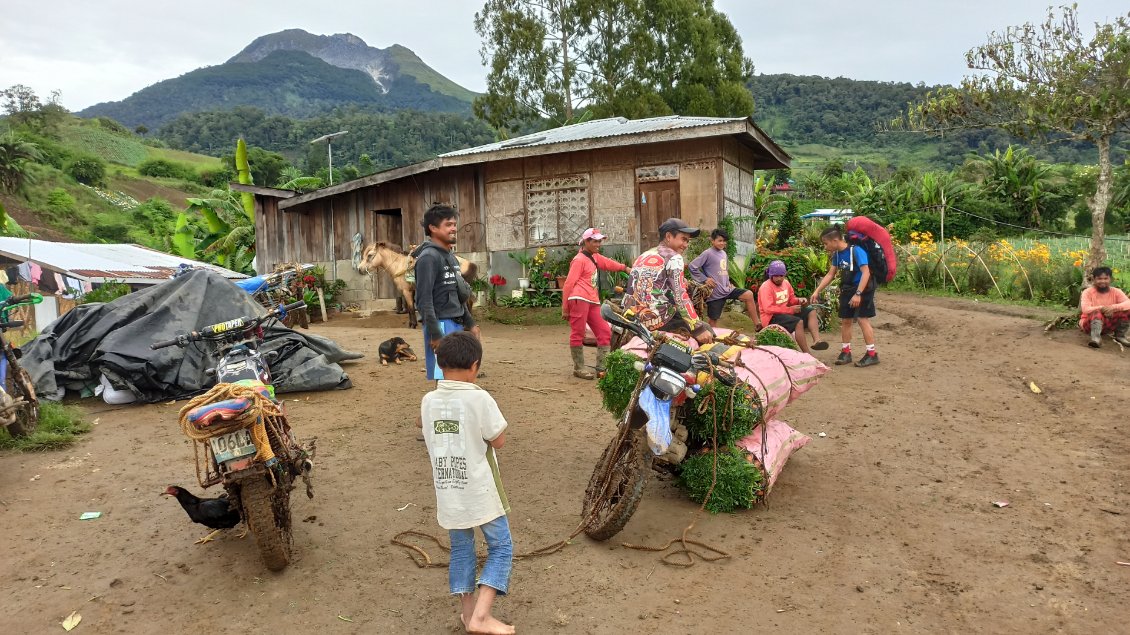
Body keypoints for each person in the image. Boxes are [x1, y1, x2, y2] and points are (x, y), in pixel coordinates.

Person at [419, 332, 515, 635]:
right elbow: (497, 440)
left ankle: (468, 613)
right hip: (481, 489)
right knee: (501, 547)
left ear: (438, 363)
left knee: (462, 548)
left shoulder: (429, 400)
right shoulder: (480, 397)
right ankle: (483, 617)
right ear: (475, 365)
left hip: (448, 489)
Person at [412, 204, 480, 381]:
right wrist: (435, 334)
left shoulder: (449, 256)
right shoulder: (428, 258)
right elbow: (423, 300)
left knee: (457, 374)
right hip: (440, 325)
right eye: (448, 224)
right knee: (443, 376)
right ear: (433, 228)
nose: (454, 229)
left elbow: (458, 294)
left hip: (455, 324)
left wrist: (470, 323)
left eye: (454, 224)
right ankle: (443, 408)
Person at [621, 218, 713, 345]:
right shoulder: (674, 258)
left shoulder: (644, 255)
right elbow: (680, 296)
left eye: (687, 241)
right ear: (669, 236)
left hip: (632, 317)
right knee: (707, 330)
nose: (686, 245)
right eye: (683, 239)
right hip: (656, 320)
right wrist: (698, 328)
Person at [561, 227, 629, 379]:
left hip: (592, 300)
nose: (598, 244)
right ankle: (579, 368)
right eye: (595, 241)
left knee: (604, 332)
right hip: (578, 299)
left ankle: (601, 367)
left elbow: (609, 264)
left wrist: (626, 268)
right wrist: (565, 307)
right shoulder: (579, 260)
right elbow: (568, 284)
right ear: (586, 241)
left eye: (599, 241)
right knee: (578, 333)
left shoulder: (595, 256)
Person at [812, 226, 879, 367]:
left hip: (863, 289)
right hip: (847, 289)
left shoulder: (856, 251)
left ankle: (872, 354)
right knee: (846, 320)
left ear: (835, 240)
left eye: (826, 243)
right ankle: (846, 352)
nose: (825, 247)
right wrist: (817, 290)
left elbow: (865, 273)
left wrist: (858, 294)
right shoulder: (837, 255)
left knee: (862, 319)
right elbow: (831, 274)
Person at [689, 229, 761, 329]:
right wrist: (705, 279)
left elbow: (725, 271)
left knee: (748, 294)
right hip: (715, 293)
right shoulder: (707, 253)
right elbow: (692, 266)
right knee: (713, 320)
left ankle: (758, 325)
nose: (722, 243)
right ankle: (712, 340)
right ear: (712, 241)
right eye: (720, 240)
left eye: (724, 241)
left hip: (727, 289)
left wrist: (729, 283)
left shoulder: (723, 254)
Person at [757, 260, 828, 353]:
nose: (779, 278)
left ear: (785, 275)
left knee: (811, 311)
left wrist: (799, 300)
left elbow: (791, 300)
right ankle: (807, 354)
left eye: (781, 276)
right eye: (776, 276)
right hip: (770, 318)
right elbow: (768, 309)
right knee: (798, 322)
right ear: (771, 275)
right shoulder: (766, 287)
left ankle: (817, 341)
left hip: (784, 313)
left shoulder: (786, 283)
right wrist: (790, 310)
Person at [1079, 266, 1130, 348]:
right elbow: (1085, 309)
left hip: (1108, 324)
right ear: (1094, 279)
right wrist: (1102, 309)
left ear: (1110, 279)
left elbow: (1128, 303)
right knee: (1097, 313)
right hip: (1089, 325)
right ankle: (1095, 339)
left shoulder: (1116, 292)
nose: (1102, 281)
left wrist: (1112, 308)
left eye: (1106, 278)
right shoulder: (1087, 292)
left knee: (1127, 310)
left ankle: (1120, 336)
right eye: (1099, 279)